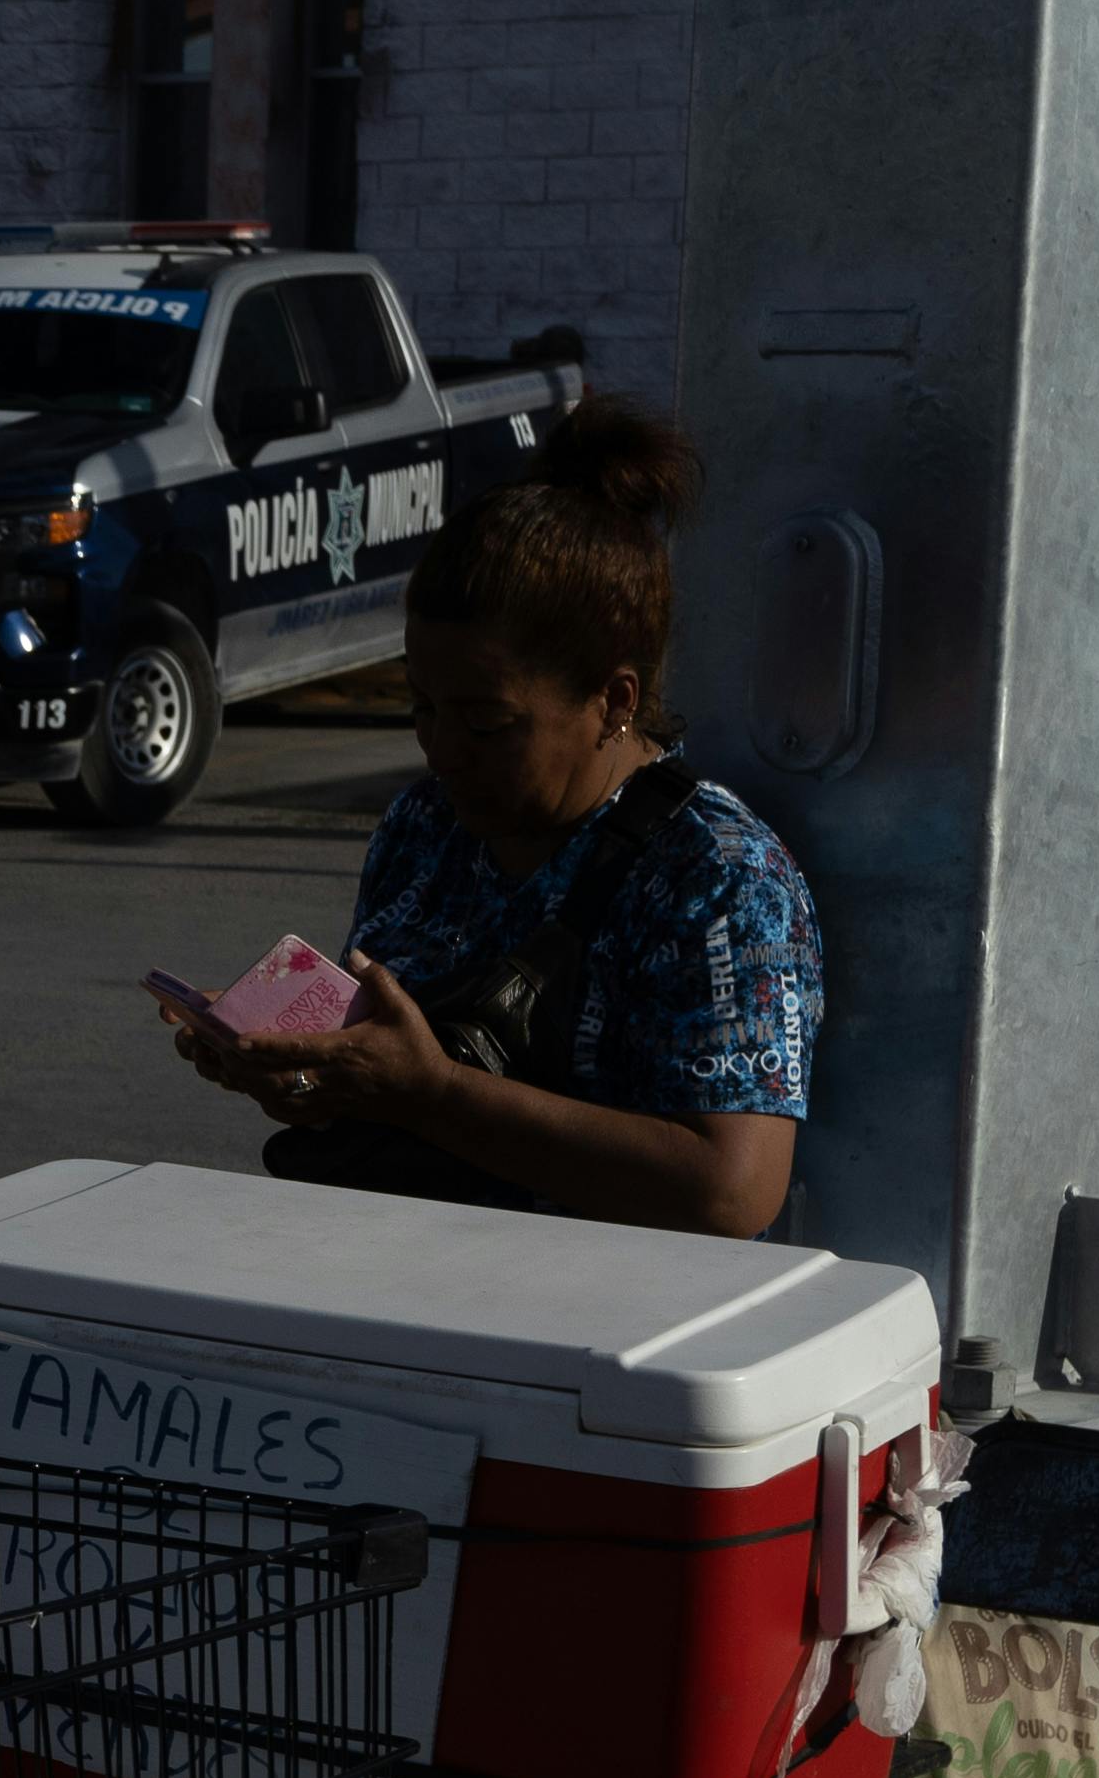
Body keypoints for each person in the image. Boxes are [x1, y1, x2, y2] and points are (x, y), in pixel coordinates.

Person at [167, 401, 821, 1237]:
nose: (442, 750)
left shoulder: (719, 876)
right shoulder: (423, 825)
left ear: (613, 701)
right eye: (421, 707)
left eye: (485, 723)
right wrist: (299, 1069)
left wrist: (433, 1093)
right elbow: (377, 1094)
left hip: (595, 1338)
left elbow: (730, 1192)